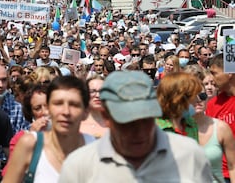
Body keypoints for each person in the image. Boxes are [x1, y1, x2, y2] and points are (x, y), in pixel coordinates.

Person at [58, 71, 212, 182]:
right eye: (127, 123)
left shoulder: (190, 155)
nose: (139, 132)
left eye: (146, 120)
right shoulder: (79, 166)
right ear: (106, 116)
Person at [2, 76, 95, 183]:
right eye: (58, 104)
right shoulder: (30, 144)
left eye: (74, 105)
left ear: (86, 111)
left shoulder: (94, 148)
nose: (66, 112)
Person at [194, 88, 235, 182]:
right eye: (192, 95)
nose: (198, 99)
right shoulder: (175, 129)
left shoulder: (221, 127)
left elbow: (233, 166)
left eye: (202, 95)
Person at [206, 54, 235, 182]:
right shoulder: (213, 104)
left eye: (214, 73)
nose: (211, 78)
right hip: (220, 175)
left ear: (229, 73)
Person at [156, 72, 202, 141]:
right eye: (194, 96)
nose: (198, 100)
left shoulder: (191, 124)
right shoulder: (155, 128)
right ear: (179, 98)